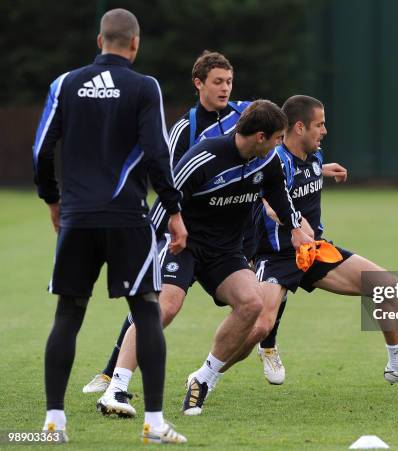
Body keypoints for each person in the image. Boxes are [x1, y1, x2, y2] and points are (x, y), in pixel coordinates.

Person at [83, 51, 346, 392]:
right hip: (187, 232)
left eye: (229, 82)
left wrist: (314, 172)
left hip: (237, 232)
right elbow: (171, 183)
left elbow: (278, 146)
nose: (225, 88)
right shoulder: (187, 131)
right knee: (163, 301)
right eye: (218, 82)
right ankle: (112, 374)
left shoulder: (246, 115)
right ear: (198, 84)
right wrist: (160, 234)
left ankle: (246, 356)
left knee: (255, 300)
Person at [181, 95, 398, 416]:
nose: (325, 130)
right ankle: (206, 376)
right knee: (259, 326)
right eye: (319, 124)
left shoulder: (314, 155)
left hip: (314, 250)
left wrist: (324, 172)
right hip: (275, 256)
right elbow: (267, 202)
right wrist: (296, 226)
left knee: (384, 284)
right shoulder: (274, 159)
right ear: (300, 127)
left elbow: (307, 175)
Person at [95, 100, 312, 417]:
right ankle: (116, 390)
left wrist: (295, 229)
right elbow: (164, 201)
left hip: (225, 251)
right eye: (279, 137)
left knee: (252, 303)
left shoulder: (268, 162)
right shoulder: (204, 156)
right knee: (166, 307)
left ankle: (203, 379)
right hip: (183, 244)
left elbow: (279, 195)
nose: (282, 143)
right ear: (261, 136)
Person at [33, 8, 188, 444]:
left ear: (99, 41)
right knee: (146, 311)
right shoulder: (144, 87)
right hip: (127, 219)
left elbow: (42, 149)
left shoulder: (65, 83)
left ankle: (53, 424)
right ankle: (155, 424)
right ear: (135, 45)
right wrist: (173, 211)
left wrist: (52, 200)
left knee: (68, 314)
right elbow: (158, 153)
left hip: (78, 218)